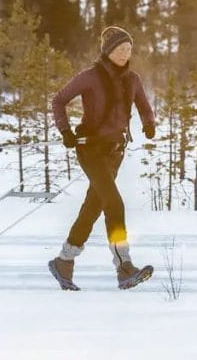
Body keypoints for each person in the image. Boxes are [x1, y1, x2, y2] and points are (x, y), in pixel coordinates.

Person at [47, 25, 157, 290]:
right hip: (91, 150)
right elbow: (59, 100)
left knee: (93, 208)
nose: (125, 54)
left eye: (129, 49)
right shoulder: (90, 77)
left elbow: (143, 105)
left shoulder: (133, 79)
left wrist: (148, 122)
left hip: (115, 152)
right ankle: (124, 266)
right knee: (114, 205)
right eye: (120, 49)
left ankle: (64, 260)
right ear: (108, 51)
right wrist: (65, 131)